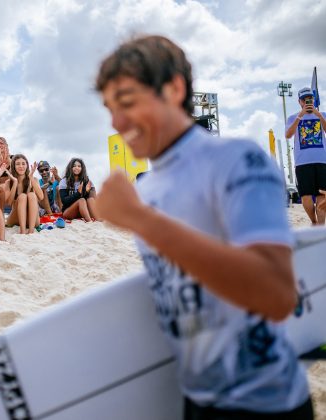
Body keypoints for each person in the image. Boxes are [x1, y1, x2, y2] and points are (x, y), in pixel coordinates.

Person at [94, 35, 312, 419]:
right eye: (110, 108)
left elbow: (276, 295)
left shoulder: (236, 159)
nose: (116, 121)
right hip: (196, 400)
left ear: (174, 88)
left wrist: (142, 220)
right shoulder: (145, 188)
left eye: (126, 102)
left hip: (267, 402)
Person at [285, 86, 326, 225]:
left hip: (322, 161)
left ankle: (320, 228)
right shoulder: (292, 117)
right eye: (305, 100)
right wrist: (300, 116)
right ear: (300, 102)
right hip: (302, 163)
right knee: (306, 197)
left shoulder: (323, 115)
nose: (308, 102)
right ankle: (314, 221)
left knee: (322, 195)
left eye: (310, 99)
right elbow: (288, 135)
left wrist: (319, 115)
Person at [4, 154, 43, 234]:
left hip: (32, 220)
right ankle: (22, 230)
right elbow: (9, 203)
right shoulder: (8, 182)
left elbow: (41, 197)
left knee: (31, 195)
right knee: (22, 196)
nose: (21, 166)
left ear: (27, 165)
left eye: (23, 163)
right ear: (13, 166)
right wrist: (15, 183)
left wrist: (31, 178)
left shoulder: (34, 179)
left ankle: (31, 231)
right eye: (17, 164)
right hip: (16, 218)